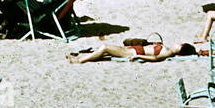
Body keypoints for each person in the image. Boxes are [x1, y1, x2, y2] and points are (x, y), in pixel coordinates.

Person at [67, 39, 199, 63]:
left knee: (105, 48)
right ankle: (81, 56)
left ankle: (81, 60)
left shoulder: (168, 52)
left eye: (180, 44)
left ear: (180, 49)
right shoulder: (168, 49)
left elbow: (155, 58)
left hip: (133, 53)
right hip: (132, 49)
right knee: (104, 51)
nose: (178, 42)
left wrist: (138, 57)